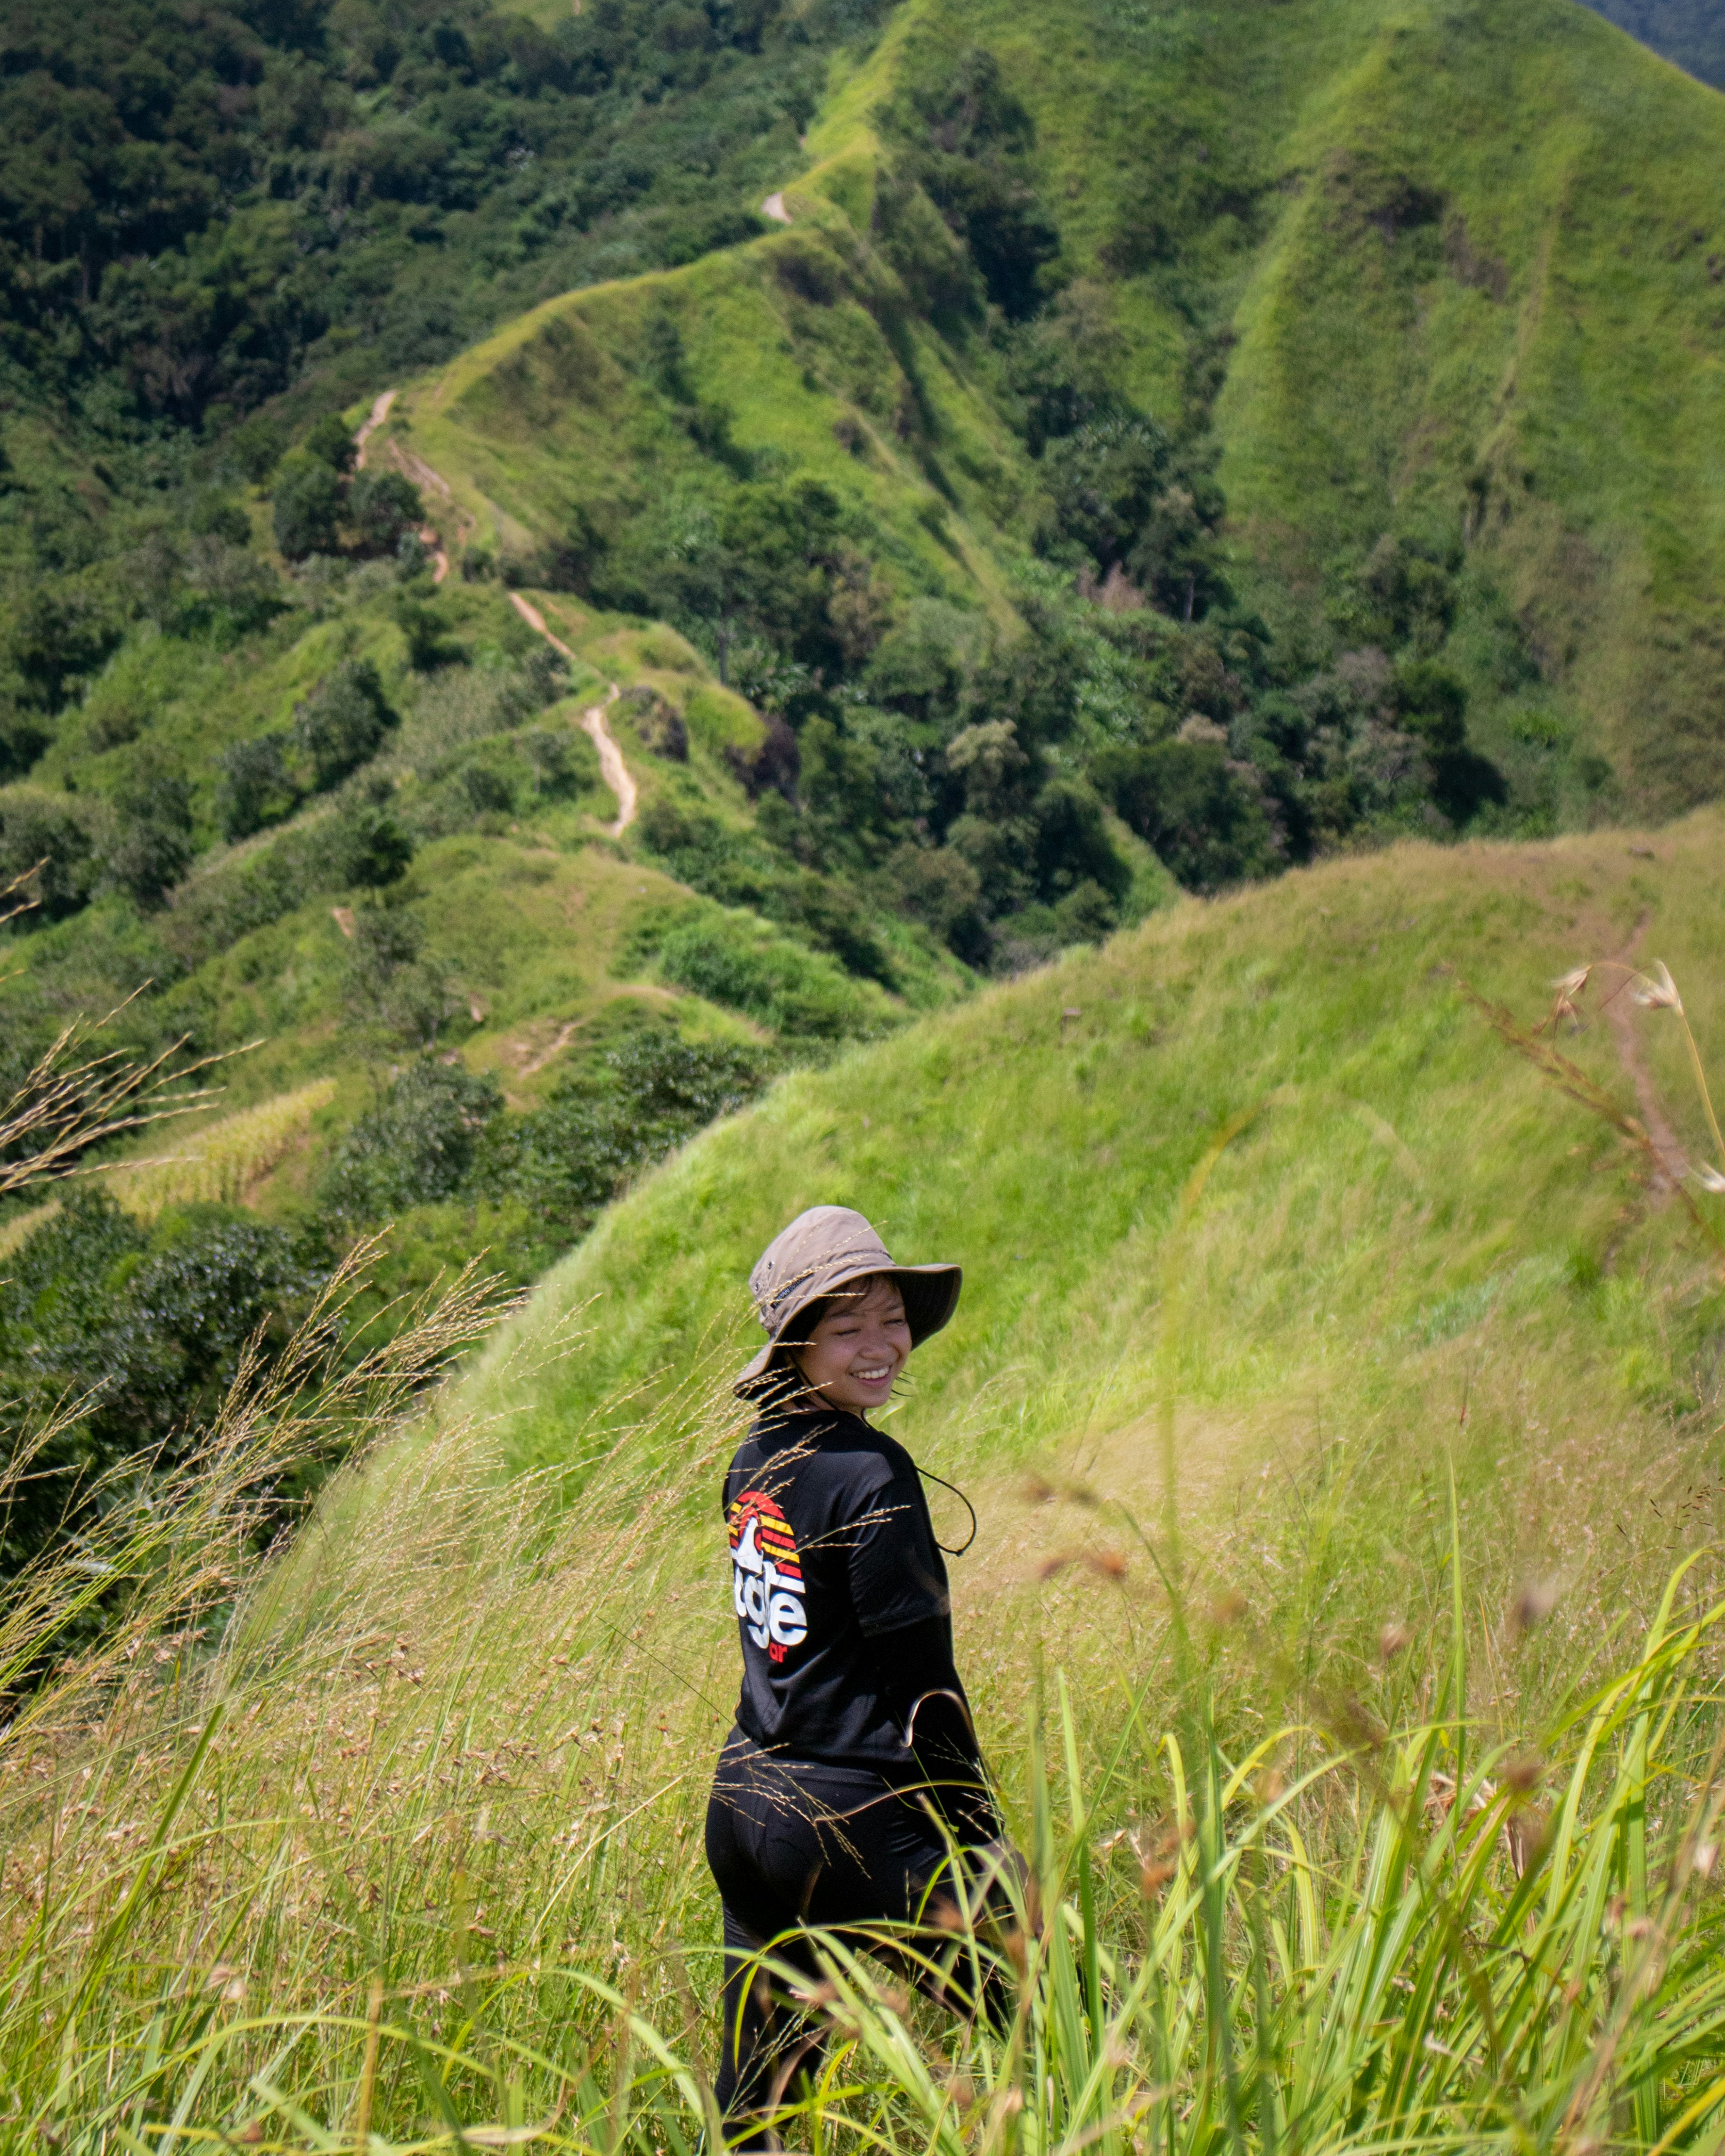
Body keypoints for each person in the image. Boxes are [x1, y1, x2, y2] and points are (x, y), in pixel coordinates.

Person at [704, 1205, 1004, 2150]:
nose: (881, 1347)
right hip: (849, 1816)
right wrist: (978, 1835)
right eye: (846, 1328)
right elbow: (925, 1686)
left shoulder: (753, 1462)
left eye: (892, 1320)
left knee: (756, 2105)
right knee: (1078, 2015)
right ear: (796, 1346)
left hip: (747, 1802)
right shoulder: (871, 1475)